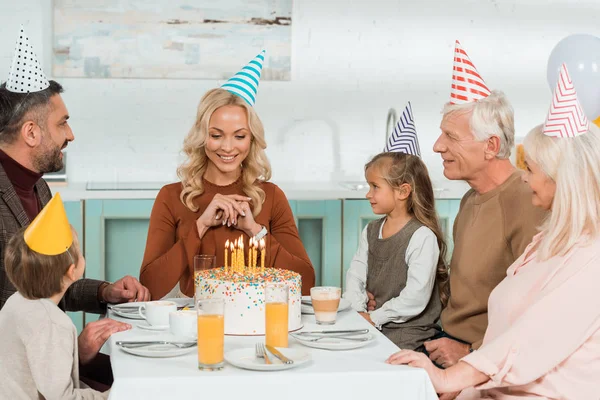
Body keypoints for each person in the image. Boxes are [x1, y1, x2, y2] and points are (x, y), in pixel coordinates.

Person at [387, 65, 600, 399]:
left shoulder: (576, 245)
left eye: (531, 167)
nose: (437, 146)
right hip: (477, 369)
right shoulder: (540, 231)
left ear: (490, 146)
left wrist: (462, 366)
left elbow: (532, 334)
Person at [0, 25, 151, 387]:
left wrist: (104, 292)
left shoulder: (40, 188)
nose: (71, 135)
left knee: (137, 378)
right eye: (63, 123)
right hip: (19, 376)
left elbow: (43, 282)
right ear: (32, 132)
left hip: (48, 359)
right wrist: (72, 351)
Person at [140, 51, 315, 299]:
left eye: (239, 136)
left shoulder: (271, 196)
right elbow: (151, 286)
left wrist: (255, 230)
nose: (228, 147)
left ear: (252, 139)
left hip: (259, 320)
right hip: (197, 321)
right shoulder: (172, 197)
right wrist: (201, 225)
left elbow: (306, 282)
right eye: (216, 135)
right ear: (202, 137)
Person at [418, 42, 546, 374]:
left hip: (482, 358)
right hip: (445, 341)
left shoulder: (527, 198)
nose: (437, 145)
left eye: (450, 136)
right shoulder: (469, 198)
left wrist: (471, 351)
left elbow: (540, 310)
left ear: (490, 146)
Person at [0, 194, 107, 399]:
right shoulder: (52, 323)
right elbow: (62, 397)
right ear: (72, 271)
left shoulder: (16, 303)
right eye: (80, 252)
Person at [343, 152, 448, 351]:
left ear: (402, 191)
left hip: (409, 336)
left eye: (375, 187)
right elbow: (355, 274)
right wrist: (358, 310)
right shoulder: (371, 230)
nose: (368, 194)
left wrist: (374, 318)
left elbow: (415, 297)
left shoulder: (421, 236)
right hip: (374, 328)